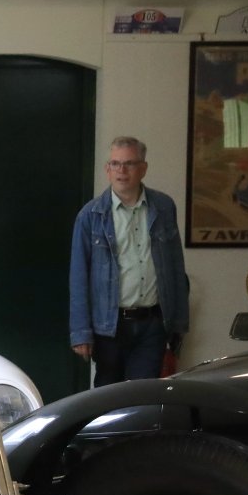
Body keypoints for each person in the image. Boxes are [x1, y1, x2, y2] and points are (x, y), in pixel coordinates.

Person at [70, 135, 189, 386]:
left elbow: (175, 266)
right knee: (108, 396)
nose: (121, 171)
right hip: (109, 326)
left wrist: (179, 322)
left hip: (152, 323)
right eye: (115, 164)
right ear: (107, 169)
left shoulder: (164, 207)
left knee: (143, 394)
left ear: (143, 168)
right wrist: (81, 332)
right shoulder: (90, 216)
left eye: (129, 164)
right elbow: (79, 277)